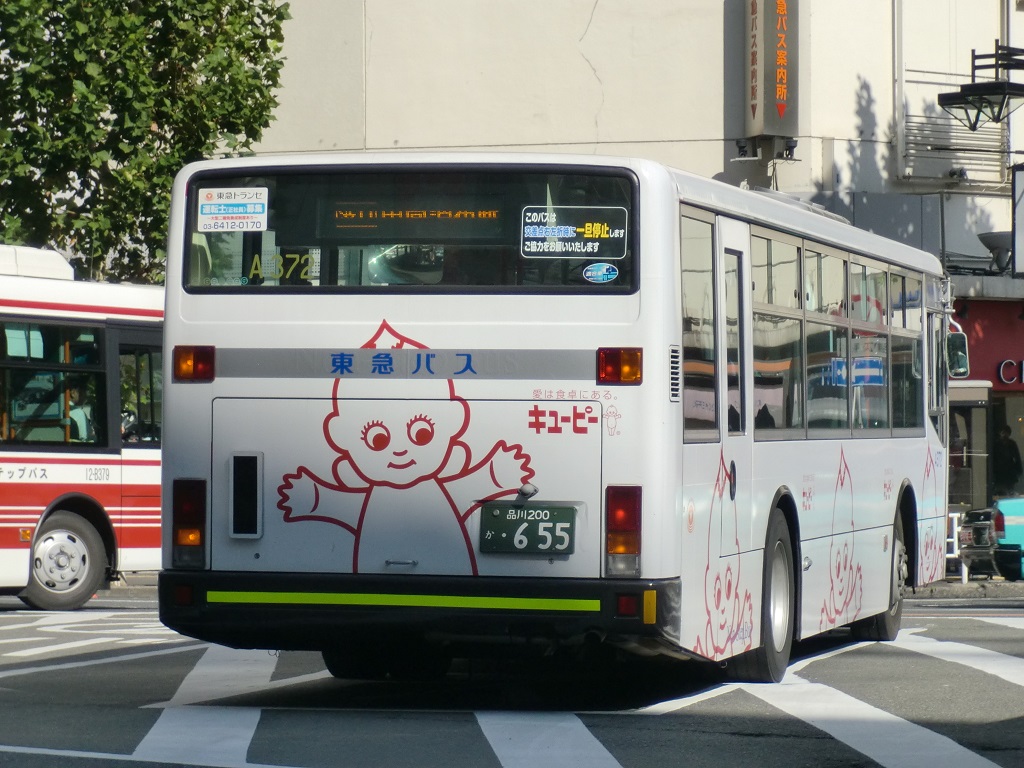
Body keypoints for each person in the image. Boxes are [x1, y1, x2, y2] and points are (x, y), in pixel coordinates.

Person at [992, 424, 1022, 497]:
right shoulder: (996, 444)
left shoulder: (1012, 444)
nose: (1004, 435)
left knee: (1009, 491)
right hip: (999, 473)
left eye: (1006, 433)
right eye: (1003, 432)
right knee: (1000, 491)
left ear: (1009, 434)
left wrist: (1018, 471)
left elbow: (1017, 458)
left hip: (1009, 472)